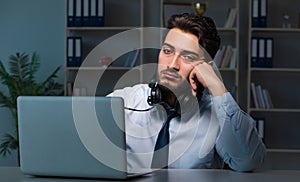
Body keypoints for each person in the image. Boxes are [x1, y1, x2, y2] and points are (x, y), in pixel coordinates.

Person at [108, 13, 266, 172]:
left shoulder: (218, 115)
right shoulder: (126, 101)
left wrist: (216, 85)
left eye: (187, 57)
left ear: (205, 67)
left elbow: (248, 162)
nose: (172, 65)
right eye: (167, 51)